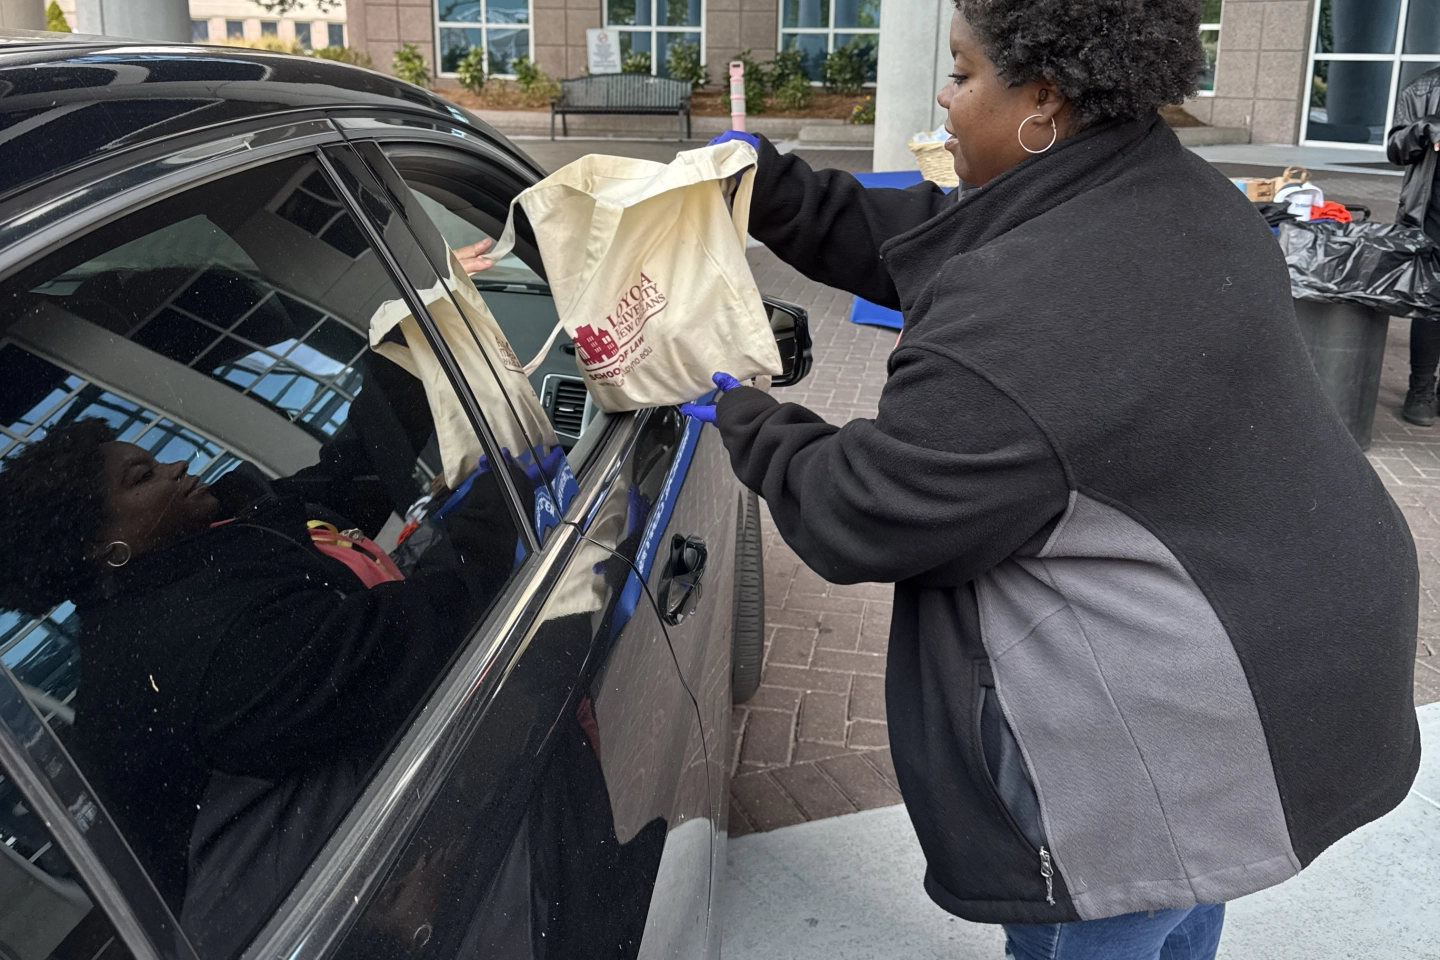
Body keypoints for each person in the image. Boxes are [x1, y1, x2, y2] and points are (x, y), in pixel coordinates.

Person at [690, 1, 1420, 958]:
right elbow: (945, 237)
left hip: (1193, 706)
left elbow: (860, 511)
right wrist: (771, 189)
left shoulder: (1025, 319)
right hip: (1294, 630)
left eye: (960, 72)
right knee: (1184, 896)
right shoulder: (1162, 188)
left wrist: (744, 408)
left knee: (1118, 908)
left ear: (1041, 93)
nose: (943, 100)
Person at [0, 397, 522, 957]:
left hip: (428, 856)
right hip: (405, 914)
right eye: (143, 477)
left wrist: (397, 374)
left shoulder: (206, 543)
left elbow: (337, 488)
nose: (175, 467)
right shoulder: (174, 650)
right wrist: (506, 502)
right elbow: (393, 650)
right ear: (100, 546)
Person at [1387, 67, 1440, 425]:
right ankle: (1420, 388)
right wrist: (1424, 128)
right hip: (1433, 211)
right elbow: (1395, 148)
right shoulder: (1424, 87)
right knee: (1431, 302)